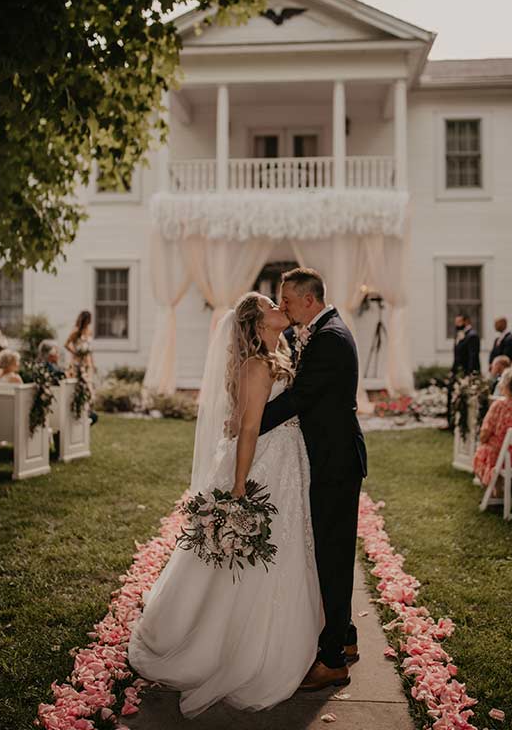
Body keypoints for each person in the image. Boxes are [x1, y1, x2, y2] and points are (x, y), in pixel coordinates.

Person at [128, 292, 322, 718]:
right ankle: (230, 647)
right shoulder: (255, 366)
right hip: (260, 467)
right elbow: (250, 428)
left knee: (288, 548)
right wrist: (239, 486)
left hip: (286, 464)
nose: (280, 308)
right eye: (273, 305)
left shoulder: (281, 357)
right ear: (256, 324)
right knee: (251, 558)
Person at [258, 268, 367, 690]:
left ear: (308, 300)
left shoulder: (330, 340)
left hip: (336, 463)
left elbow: (300, 398)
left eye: (285, 300)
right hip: (328, 458)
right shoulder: (319, 332)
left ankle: (333, 660)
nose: (281, 306)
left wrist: (250, 424)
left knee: (333, 555)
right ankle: (348, 637)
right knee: (330, 550)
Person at [473, 367, 512, 488]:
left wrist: (483, 440)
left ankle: (495, 489)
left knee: (484, 449)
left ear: (506, 385)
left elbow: (484, 434)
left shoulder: (499, 406)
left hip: (502, 457)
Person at [446, 313, 481, 429]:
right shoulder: (460, 335)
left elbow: (473, 356)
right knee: (452, 395)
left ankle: (461, 424)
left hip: (466, 374)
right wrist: (452, 371)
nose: (456, 324)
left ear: (466, 321)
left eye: (458, 322)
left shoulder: (472, 336)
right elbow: (457, 357)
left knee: (464, 399)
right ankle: (451, 422)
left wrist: (470, 375)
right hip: (457, 373)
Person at [65, 312, 98, 425]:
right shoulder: (75, 331)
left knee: (89, 386)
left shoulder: (89, 331)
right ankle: (78, 409)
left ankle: (88, 410)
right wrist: (75, 352)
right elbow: (66, 344)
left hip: (87, 363)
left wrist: (93, 364)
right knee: (79, 385)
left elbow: (90, 350)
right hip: (77, 363)